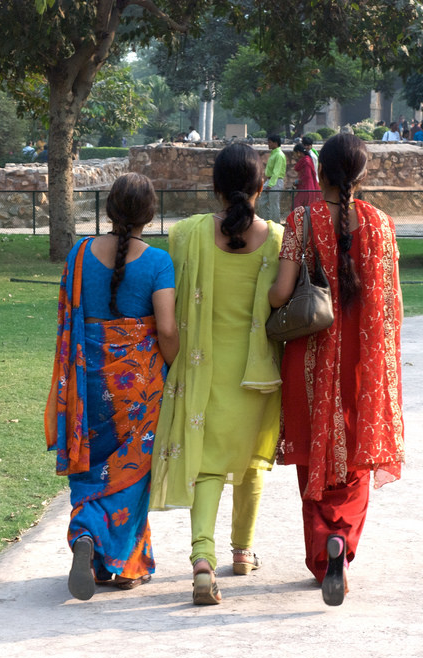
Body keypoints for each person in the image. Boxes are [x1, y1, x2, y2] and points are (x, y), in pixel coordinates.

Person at [269, 133, 404, 607]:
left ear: (319, 172)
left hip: (309, 356)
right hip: (361, 365)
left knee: (314, 453)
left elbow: (280, 295)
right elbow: (388, 308)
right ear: (363, 176)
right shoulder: (383, 225)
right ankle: (340, 546)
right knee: (355, 456)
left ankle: (322, 548)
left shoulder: (301, 221)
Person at [151, 144, 284, 605]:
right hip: (258, 374)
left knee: (208, 466)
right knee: (250, 462)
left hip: (201, 371)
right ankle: (243, 552)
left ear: (215, 186)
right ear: (260, 186)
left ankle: (202, 559)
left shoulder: (187, 234)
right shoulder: (279, 239)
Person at [45, 172, 178, 601]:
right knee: (132, 472)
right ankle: (124, 566)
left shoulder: (79, 255)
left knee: (93, 463)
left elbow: (70, 319)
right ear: (150, 214)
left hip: (88, 381)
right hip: (138, 385)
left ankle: (86, 535)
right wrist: (174, 366)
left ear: (109, 209)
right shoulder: (158, 262)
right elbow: (168, 327)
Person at [262, 134, 286, 222]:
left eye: (269, 142)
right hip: (270, 180)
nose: (268, 144)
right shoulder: (274, 154)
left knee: (274, 205)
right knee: (262, 203)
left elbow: (276, 171)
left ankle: (275, 224)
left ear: (275, 143)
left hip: (275, 181)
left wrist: (270, 184)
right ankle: (267, 222)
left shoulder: (279, 155)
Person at [291, 143, 320, 209]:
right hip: (305, 187)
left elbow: (307, 176)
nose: (294, 155)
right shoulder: (305, 160)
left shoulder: (306, 161)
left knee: (297, 207)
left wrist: (298, 181)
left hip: (307, 188)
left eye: (295, 153)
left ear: (298, 152)